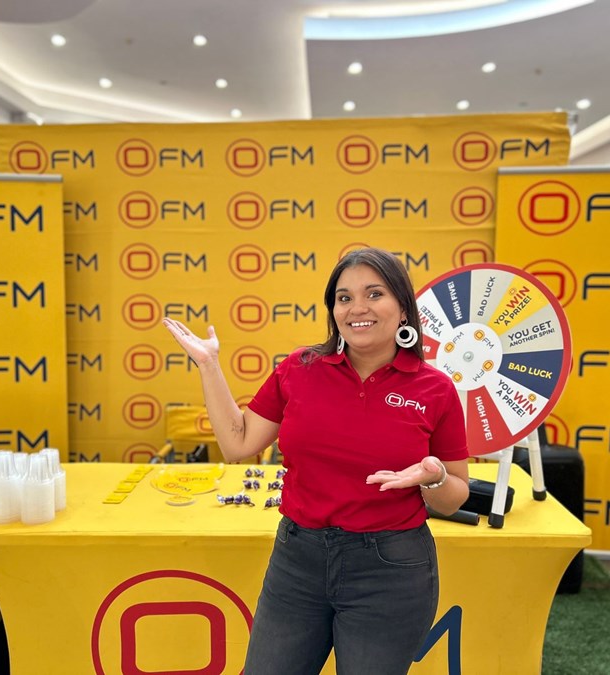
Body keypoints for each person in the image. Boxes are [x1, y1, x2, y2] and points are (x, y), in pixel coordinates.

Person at [163, 247, 469, 674]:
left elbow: (455, 496)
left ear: (403, 308)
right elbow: (238, 443)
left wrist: (432, 477)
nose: (357, 308)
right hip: (298, 562)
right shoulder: (300, 368)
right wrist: (209, 365)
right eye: (344, 298)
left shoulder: (434, 389)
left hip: (389, 571)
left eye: (374, 294)